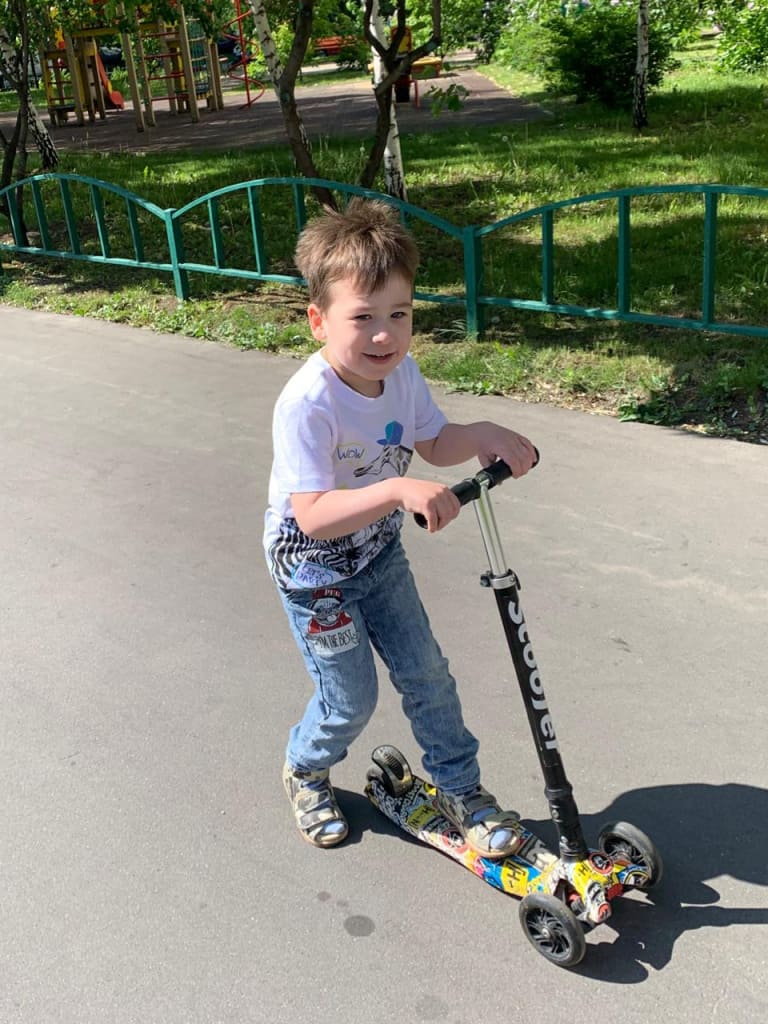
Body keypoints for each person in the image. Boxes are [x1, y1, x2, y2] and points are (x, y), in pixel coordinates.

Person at [264, 198, 537, 853]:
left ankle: (463, 790)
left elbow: (434, 441)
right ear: (318, 319)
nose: (384, 335)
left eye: (400, 315)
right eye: (363, 318)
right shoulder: (308, 404)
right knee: (349, 700)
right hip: (315, 574)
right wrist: (395, 489)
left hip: (379, 556)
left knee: (427, 675)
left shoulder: (402, 375)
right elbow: (312, 515)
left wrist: (482, 433)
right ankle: (306, 768)